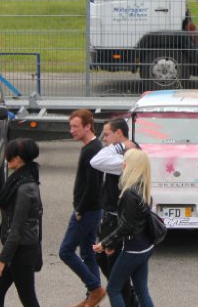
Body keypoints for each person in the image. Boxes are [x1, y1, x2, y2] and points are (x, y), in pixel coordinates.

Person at [94, 149, 156, 307]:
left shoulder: (128, 194)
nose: (123, 164)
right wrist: (112, 244)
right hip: (145, 246)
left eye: (125, 161)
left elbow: (126, 226)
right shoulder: (143, 188)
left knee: (114, 289)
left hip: (133, 249)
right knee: (142, 290)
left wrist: (106, 243)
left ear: (131, 166)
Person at [90, 118, 140, 307]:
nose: (104, 139)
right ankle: (130, 297)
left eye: (108, 134)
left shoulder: (126, 156)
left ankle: (129, 300)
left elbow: (96, 161)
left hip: (116, 220)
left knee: (113, 265)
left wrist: (119, 147)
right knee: (103, 258)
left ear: (119, 134)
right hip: (109, 217)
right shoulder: (122, 152)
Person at [0, 139, 43, 307]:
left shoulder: (24, 188)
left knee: (28, 298)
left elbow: (17, 228)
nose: (6, 160)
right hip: (18, 249)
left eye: (9, 156)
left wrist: (2, 260)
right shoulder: (20, 180)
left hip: (21, 251)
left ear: (18, 159)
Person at [60, 110, 106, 307]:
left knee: (66, 251)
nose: (72, 131)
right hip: (90, 209)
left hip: (87, 210)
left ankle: (95, 288)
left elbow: (92, 184)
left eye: (75, 127)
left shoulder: (92, 149)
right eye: (71, 127)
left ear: (88, 126)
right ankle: (92, 297)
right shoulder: (91, 147)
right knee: (88, 252)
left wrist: (80, 208)